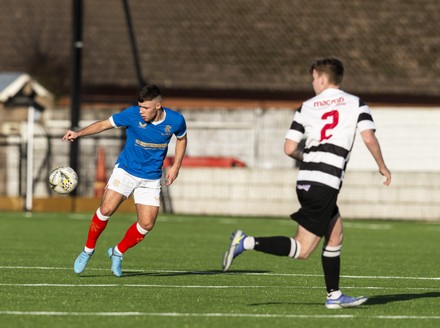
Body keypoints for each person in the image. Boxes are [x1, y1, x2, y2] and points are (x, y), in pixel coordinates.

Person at [222, 57, 391, 309]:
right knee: (302, 250)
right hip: (325, 183)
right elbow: (369, 139)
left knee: (336, 235)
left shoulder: (306, 106)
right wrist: (382, 166)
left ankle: (334, 296)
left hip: (306, 180)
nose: (312, 83)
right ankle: (246, 241)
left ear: (322, 78)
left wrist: (309, 156)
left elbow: (289, 148)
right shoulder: (357, 103)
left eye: (313, 78)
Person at [63, 84, 187, 277]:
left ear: (158, 106)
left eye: (145, 108)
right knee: (106, 210)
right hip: (126, 171)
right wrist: (78, 133)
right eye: (140, 107)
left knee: (146, 224)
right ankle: (88, 250)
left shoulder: (176, 120)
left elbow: (181, 138)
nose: (141, 111)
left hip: (151, 177)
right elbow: (104, 124)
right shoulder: (132, 115)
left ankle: (117, 252)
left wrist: (176, 166)